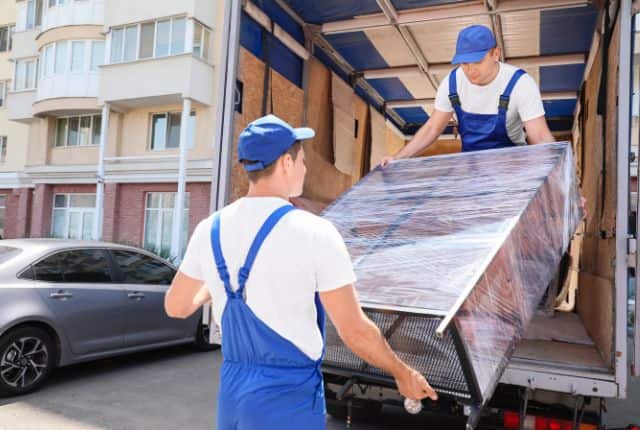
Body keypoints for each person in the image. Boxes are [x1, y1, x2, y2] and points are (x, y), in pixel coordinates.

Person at [164, 114, 437, 430]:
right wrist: (403, 373)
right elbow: (354, 330)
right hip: (287, 399)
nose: (305, 168)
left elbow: (177, 306)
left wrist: (223, 280)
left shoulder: (209, 228)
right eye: (303, 160)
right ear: (285, 163)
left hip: (233, 397)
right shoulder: (315, 232)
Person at [380, 24, 555, 166]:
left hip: (512, 166)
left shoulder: (520, 84)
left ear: (496, 54)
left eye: (477, 61)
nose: (470, 70)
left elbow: (539, 137)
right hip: (471, 169)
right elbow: (433, 127)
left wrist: (564, 184)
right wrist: (399, 158)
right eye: (464, 63)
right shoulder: (452, 83)